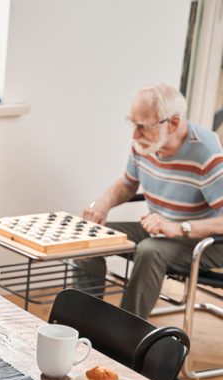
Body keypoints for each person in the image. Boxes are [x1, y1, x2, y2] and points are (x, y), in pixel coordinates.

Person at [77, 83, 223, 318]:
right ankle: (86, 320)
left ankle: (123, 335)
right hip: (160, 232)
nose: (135, 134)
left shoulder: (206, 153)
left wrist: (178, 228)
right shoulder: (145, 143)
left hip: (207, 241)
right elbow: (127, 184)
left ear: (173, 123)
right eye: (133, 123)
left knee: (149, 251)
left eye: (143, 126)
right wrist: (102, 204)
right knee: (89, 236)